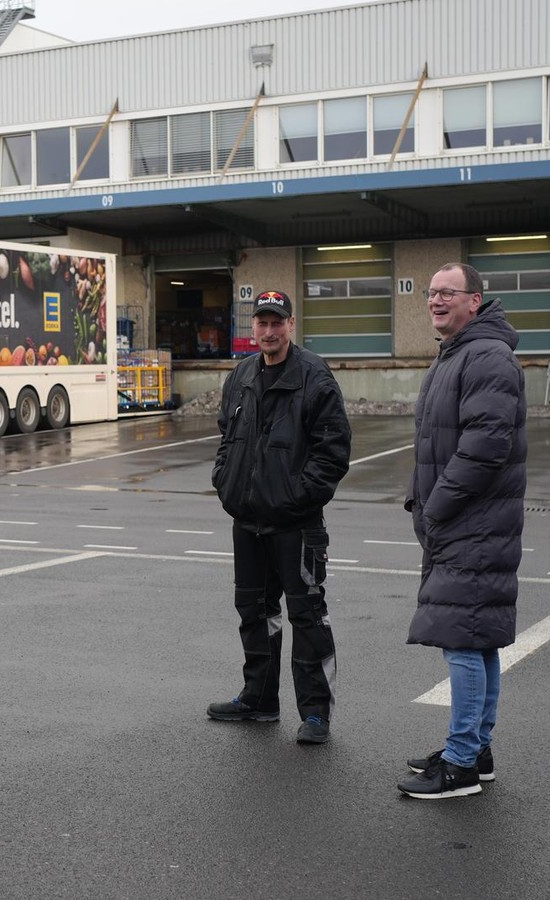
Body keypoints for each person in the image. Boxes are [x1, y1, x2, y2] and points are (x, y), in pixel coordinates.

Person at [397, 262, 527, 800]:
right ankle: (475, 748)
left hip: (471, 524)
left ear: (475, 300)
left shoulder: (486, 356)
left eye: (447, 293)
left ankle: (460, 766)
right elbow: (434, 439)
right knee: (479, 638)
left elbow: (485, 445)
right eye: (430, 293)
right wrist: (417, 498)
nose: (435, 300)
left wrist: (437, 508)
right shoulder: (459, 353)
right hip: (465, 523)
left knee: (461, 642)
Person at [207, 290, 351, 744]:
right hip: (247, 520)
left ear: (291, 325)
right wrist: (225, 479)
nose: (269, 331)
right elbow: (227, 436)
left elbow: (333, 453)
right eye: (262, 323)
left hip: (296, 523)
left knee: (306, 615)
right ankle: (260, 699)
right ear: (254, 329)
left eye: (277, 323)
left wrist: (294, 498)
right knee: (254, 611)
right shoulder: (242, 375)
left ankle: (315, 714)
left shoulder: (315, 377)